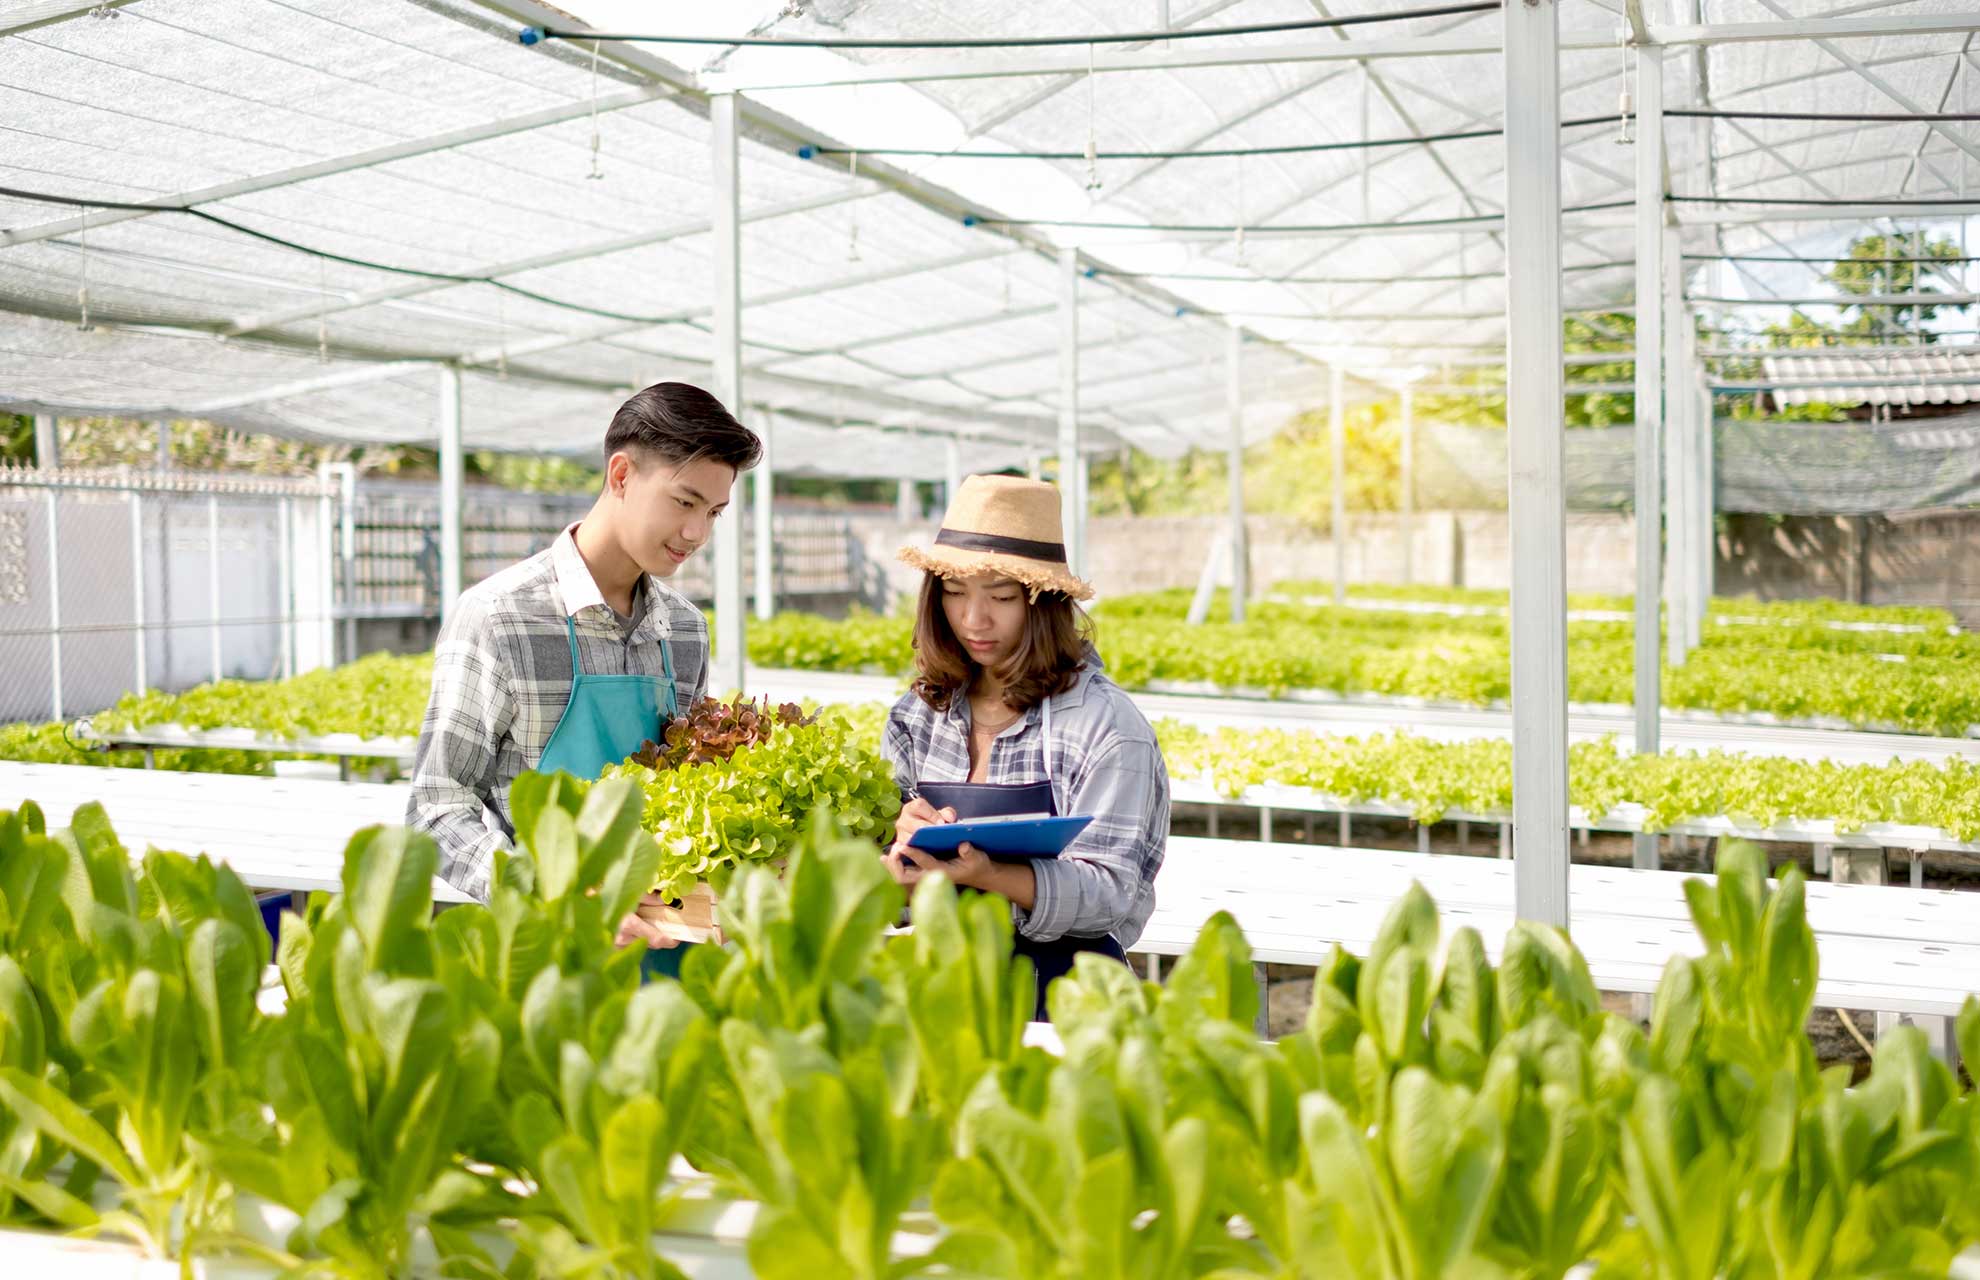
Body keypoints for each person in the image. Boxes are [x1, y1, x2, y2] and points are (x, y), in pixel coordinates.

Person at [408, 382, 761, 971]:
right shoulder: (501, 617)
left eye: (714, 513)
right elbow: (437, 807)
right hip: (546, 958)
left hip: (671, 958)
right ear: (621, 475)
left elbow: (693, 798)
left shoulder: (685, 630)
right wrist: (556, 895)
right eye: (684, 502)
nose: (698, 533)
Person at [881, 474, 1167, 1020]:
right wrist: (896, 852)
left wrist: (985, 875)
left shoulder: (1106, 728)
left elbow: (1111, 894)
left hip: (1070, 998)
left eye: (1002, 597)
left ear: (1045, 603)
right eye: (955, 593)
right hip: (940, 987)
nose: (973, 620)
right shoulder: (919, 714)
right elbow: (879, 862)